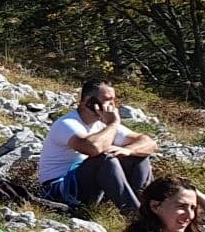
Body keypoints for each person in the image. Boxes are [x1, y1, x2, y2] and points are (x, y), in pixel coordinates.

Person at [36, 81, 158, 213]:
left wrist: (128, 150)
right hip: (59, 189)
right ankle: (134, 214)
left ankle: (147, 210)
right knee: (105, 160)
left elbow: (150, 143)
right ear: (89, 101)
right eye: (107, 100)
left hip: (86, 185)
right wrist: (113, 123)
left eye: (114, 100)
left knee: (138, 157)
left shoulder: (103, 124)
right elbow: (93, 148)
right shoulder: (67, 124)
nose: (112, 106)